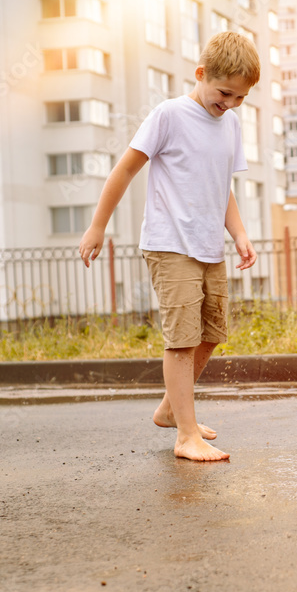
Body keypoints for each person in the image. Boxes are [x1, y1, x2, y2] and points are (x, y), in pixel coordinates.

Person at [78, 32, 260, 462]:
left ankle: (169, 409)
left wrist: (239, 233)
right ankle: (185, 435)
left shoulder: (230, 123)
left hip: (208, 246)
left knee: (212, 334)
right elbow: (124, 170)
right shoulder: (169, 115)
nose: (231, 104)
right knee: (181, 339)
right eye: (224, 93)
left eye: (240, 97)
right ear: (200, 75)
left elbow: (224, 188)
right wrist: (97, 226)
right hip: (169, 243)